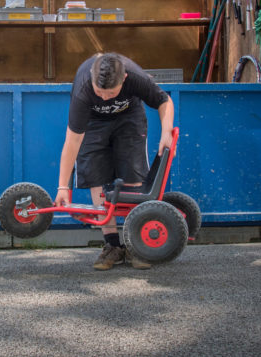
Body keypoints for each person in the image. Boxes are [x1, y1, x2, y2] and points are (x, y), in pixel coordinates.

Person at [55, 53, 174, 271]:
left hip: (129, 118)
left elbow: (164, 101)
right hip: (93, 123)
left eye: (111, 93)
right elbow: (72, 141)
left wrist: (166, 132)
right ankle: (112, 246)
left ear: (124, 78)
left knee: (133, 176)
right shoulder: (83, 90)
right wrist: (62, 187)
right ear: (92, 78)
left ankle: (134, 245)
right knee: (95, 178)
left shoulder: (135, 77)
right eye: (99, 92)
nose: (104, 98)